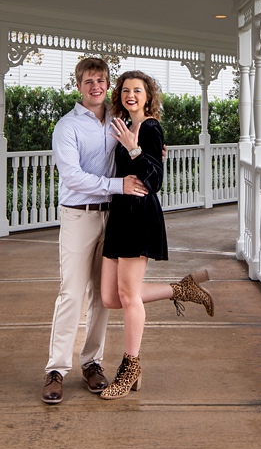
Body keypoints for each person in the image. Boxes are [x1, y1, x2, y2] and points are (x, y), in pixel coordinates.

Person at [98, 70, 215, 400]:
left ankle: (130, 367)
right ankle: (180, 288)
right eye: (125, 90)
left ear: (149, 96)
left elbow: (155, 180)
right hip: (120, 215)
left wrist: (136, 149)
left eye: (137, 90)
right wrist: (129, 146)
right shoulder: (124, 127)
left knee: (128, 294)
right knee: (110, 297)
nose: (130, 95)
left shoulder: (149, 127)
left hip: (139, 216)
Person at [41, 57, 150, 406]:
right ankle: (57, 369)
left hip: (113, 217)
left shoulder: (117, 123)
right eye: (89, 81)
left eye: (101, 80)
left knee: (102, 297)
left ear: (108, 85)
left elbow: (139, 152)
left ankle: (92, 363)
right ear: (79, 86)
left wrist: (152, 152)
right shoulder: (67, 126)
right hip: (79, 216)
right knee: (71, 293)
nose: (96, 86)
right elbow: (72, 177)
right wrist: (118, 185)